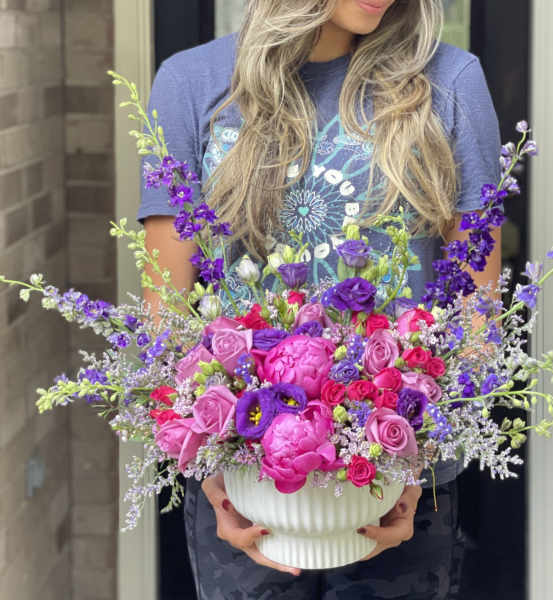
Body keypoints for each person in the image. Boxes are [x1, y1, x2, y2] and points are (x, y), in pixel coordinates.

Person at [139, 1, 502, 598]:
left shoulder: (449, 82)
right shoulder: (192, 83)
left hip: (401, 481)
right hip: (242, 483)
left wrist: (420, 472)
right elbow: (165, 311)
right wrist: (207, 469)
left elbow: (476, 313)